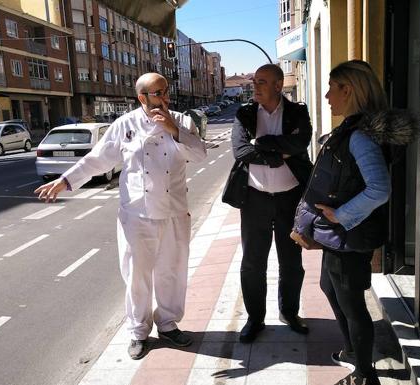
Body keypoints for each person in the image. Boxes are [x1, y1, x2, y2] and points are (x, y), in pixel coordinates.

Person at [34, 73, 207, 360]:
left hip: (175, 211)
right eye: (158, 93)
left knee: (172, 272)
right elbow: (98, 160)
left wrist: (175, 129)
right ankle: (139, 332)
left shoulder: (182, 120)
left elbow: (199, 154)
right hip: (137, 214)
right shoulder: (125, 125)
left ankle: (168, 324)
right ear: (142, 98)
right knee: (136, 276)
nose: (165, 98)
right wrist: (65, 181)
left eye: (166, 92)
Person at [291, 60, 414, 385]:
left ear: (349, 90)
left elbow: (379, 188)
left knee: (352, 304)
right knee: (328, 287)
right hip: (339, 236)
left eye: (332, 88)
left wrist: (340, 215)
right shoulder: (350, 130)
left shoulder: (359, 136)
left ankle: (364, 374)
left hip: (349, 235)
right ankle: (350, 351)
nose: (328, 96)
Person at [231, 64, 313, 343]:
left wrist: (264, 142)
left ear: (279, 86)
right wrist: (278, 155)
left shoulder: (297, 112)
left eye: (262, 82)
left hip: (290, 197)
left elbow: (301, 143)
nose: (255, 86)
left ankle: (289, 312)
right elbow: (241, 151)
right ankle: (255, 318)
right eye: (255, 81)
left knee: (291, 261)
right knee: (253, 263)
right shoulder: (244, 114)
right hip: (254, 199)